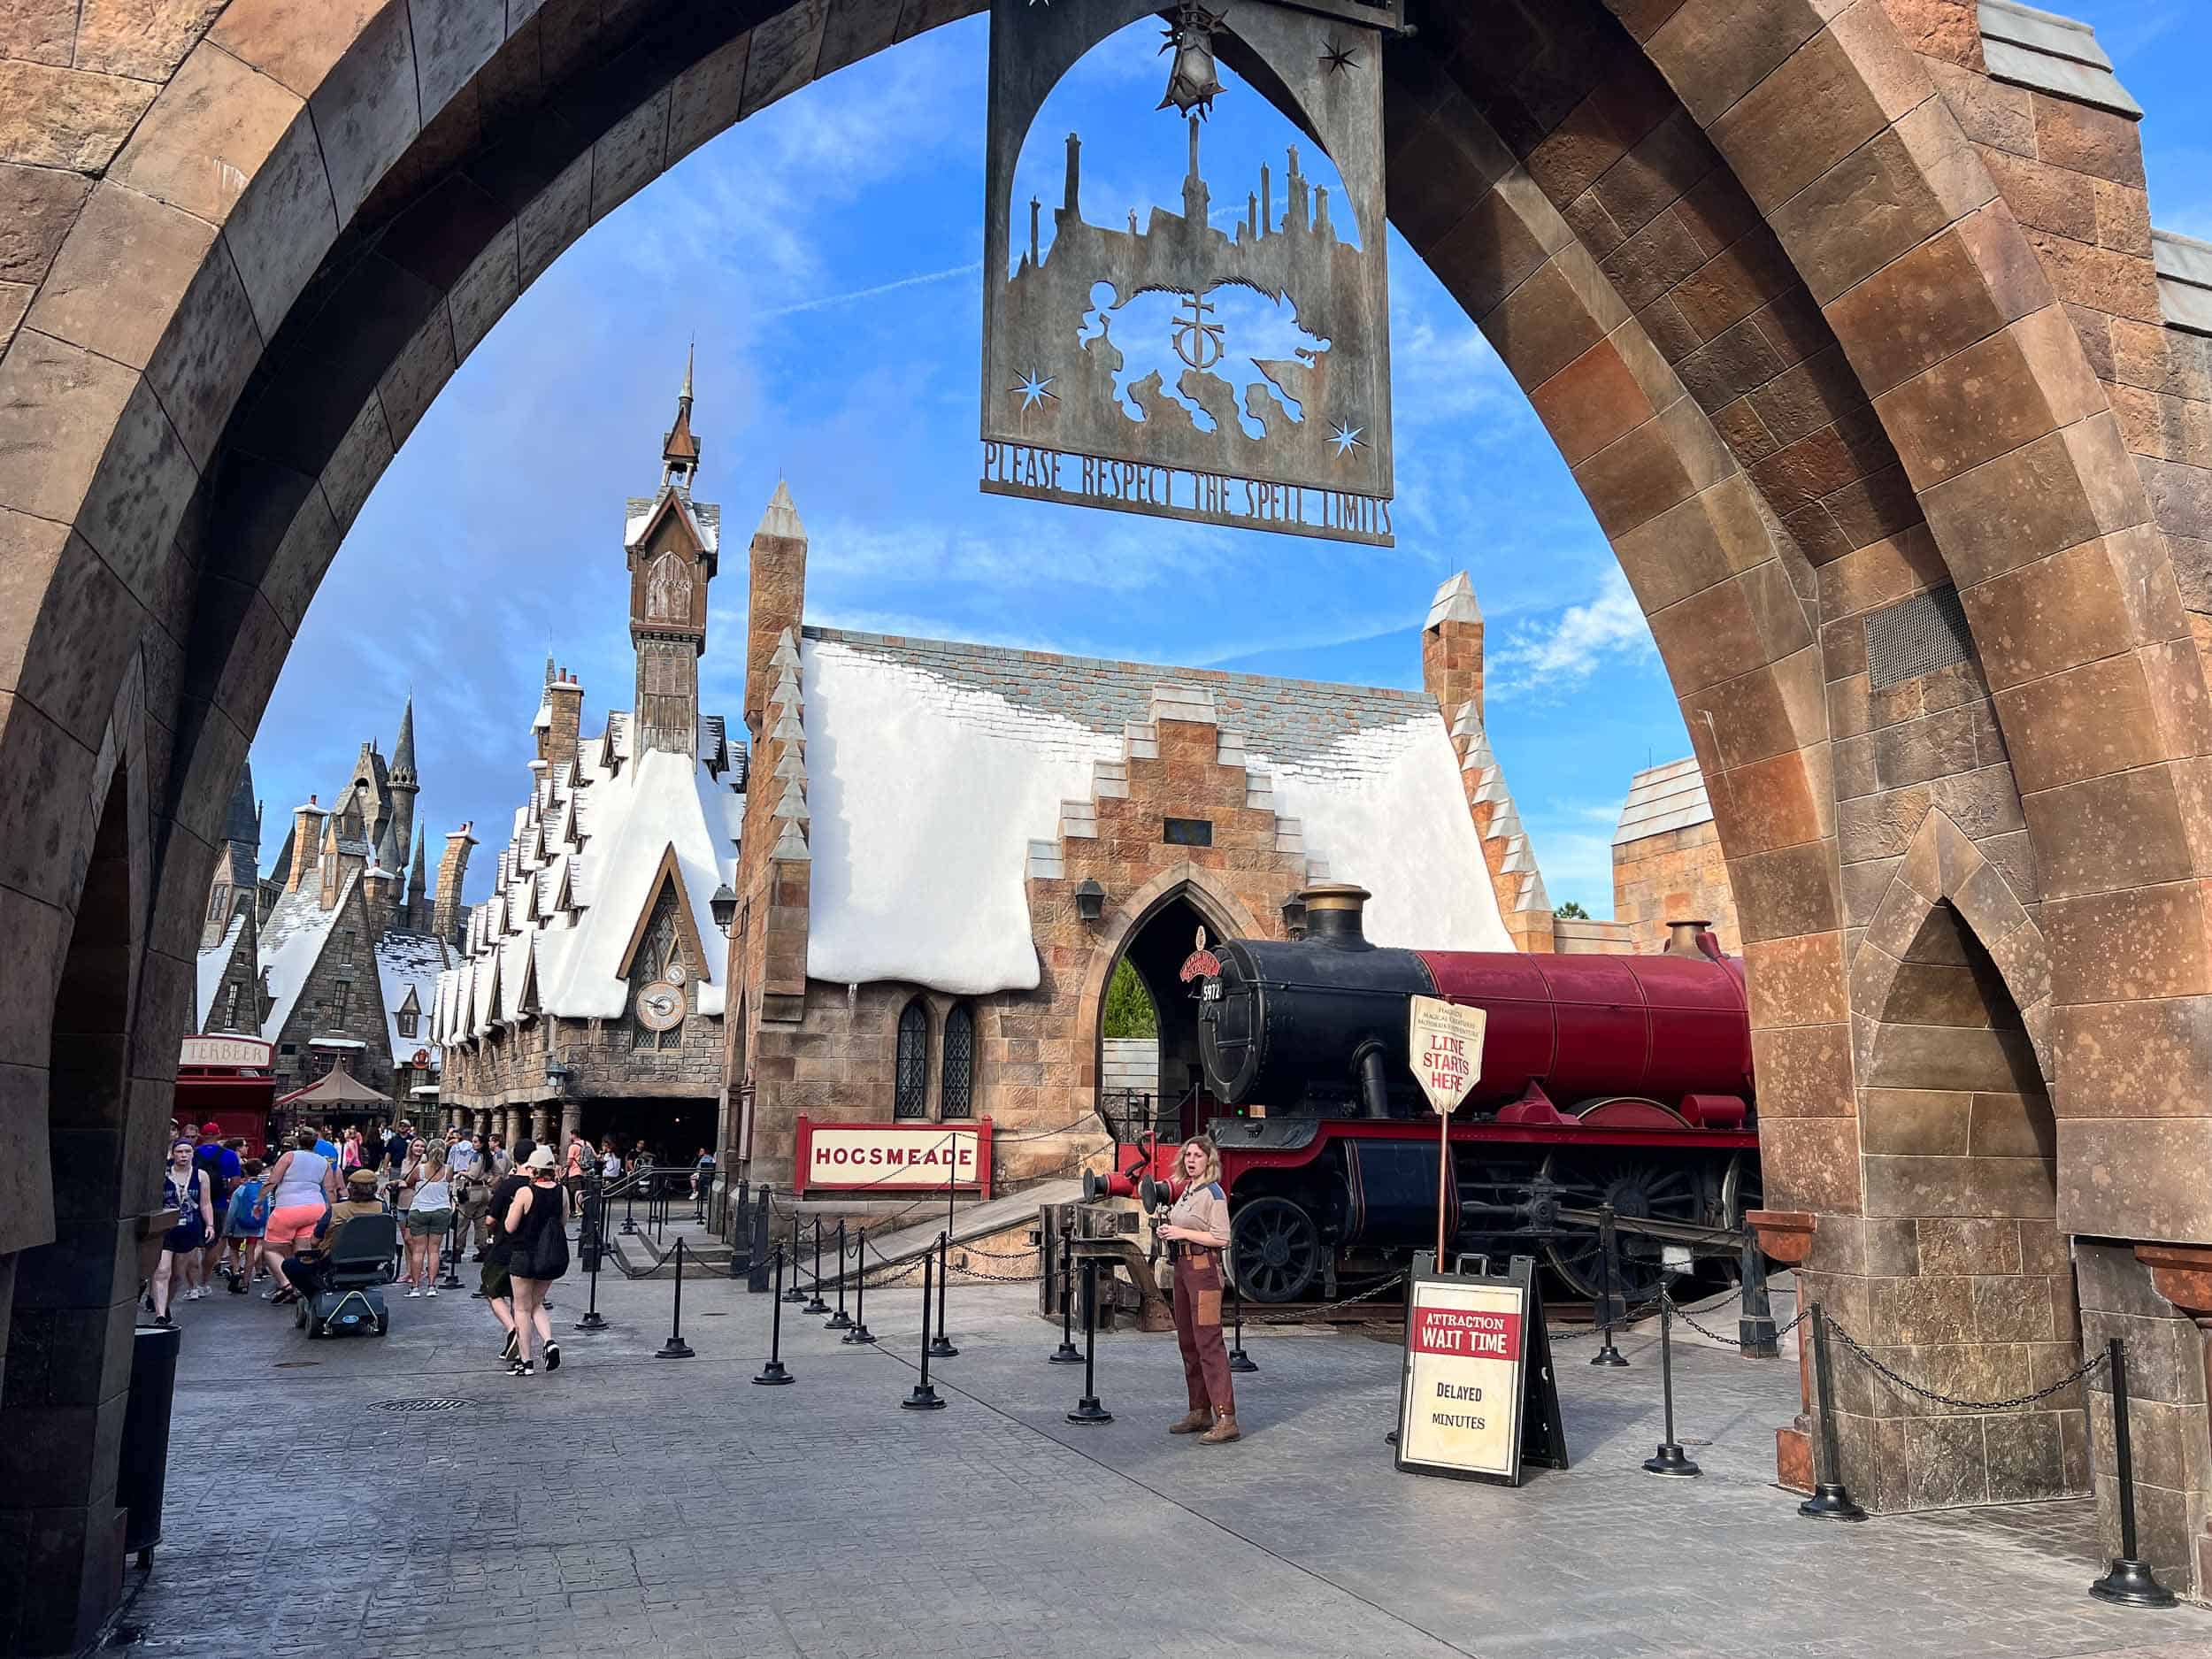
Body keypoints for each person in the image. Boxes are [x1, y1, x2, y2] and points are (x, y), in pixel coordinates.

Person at [1157, 1136, 1239, 1445]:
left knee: (1209, 1343)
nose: (1191, 1160)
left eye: (1197, 1156)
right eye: (1188, 1155)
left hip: (1203, 1271)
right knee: (1188, 1342)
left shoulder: (1214, 1194)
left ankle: (1226, 1417)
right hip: (1183, 1268)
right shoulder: (1190, 1190)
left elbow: (1221, 1238)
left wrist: (1180, 1231)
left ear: (1209, 1161)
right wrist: (1169, 1230)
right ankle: (1199, 1410)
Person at [502, 1148, 570, 1378]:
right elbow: (563, 1222)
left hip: (524, 1254)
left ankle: (526, 1361)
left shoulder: (525, 1192)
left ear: (533, 1169)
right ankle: (549, 1341)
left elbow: (509, 1226)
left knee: (521, 1308)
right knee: (537, 1303)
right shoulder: (562, 1192)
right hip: (548, 1255)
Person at [278, 1169, 386, 1302]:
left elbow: (314, 1241)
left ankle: (315, 1296)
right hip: (371, 1262)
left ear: (351, 1188)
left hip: (337, 1263)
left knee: (290, 1265)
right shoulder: (382, 1208)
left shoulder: (336, 1210)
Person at [259, 1127, 340, 1300]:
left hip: (288, 1207)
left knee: (271, 1249)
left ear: (298, 1142)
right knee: (302, 1253)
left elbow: (273, 1180)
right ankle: (299, 1288)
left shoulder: (289, 1157)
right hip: (315, 1208)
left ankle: (285, 1283)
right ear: (316, 1142)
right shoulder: (323, 1162)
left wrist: (258, 1201)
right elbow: (330, 1189)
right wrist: (331, 1211)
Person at [479, 1137, 536, 1364]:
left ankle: (512, 1329)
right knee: (519, 1301)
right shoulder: (539, 1185)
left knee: (490, 1289)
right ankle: (518, 1345)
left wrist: (491, 1222)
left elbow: (491, 1219)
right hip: (531, 1248)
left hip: (505, 1246)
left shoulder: (508, 1185)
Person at [150, 1139, 215, 1325]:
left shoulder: (201, 1176)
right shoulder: (163, 1174)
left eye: (187, 1151)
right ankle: (160, 1315)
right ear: (173, 1153)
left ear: (193, 1154)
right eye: (179, 1152)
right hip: (164, 1229)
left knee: (177, 1275)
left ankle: (166, 1304)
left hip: (189, 1228)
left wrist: (209, 1224)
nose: (184, 1156)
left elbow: (205, 1202)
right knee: (162, 1271)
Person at [403, 1145, 453, 1296]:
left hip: (420, 1210)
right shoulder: (448, 1170)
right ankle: (432, 1286)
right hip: (441, 1210)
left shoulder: (420, 1169)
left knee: (418, 1250)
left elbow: (410, 1183)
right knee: (434, 1251)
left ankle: (415, 1287)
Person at [219, 1157, 269, 1293]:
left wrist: (226, 1229)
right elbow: (267, 1209)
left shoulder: (240, 1190)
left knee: (234, 1249)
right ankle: (245, 1283)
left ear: (244, 1171)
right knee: (250, 1252)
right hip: (256, 1225)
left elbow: (232, 1211)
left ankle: (236, 1271)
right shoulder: (264, 1189)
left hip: (239, 1225)